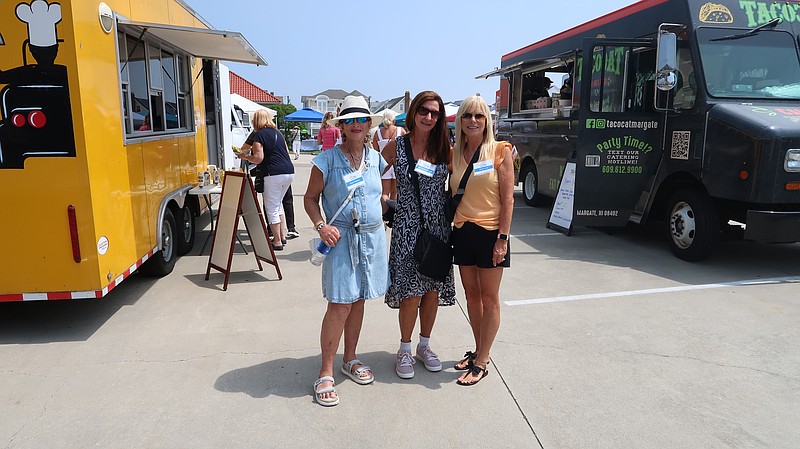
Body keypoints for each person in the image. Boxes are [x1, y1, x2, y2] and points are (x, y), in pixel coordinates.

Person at [303, 95, 389, 406]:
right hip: (340, 242)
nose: (355, 125)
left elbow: (379, 195)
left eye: (361, 119)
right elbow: (310, 198)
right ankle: (326, 370)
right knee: (339, 304)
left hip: (371, 241)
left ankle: (350, 358)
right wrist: (320, 226)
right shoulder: (325, 161)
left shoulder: (375, 158)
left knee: (359, 300)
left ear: (369, 124)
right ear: (341, 126)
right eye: (349, 120)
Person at [381, 91, 455, 379]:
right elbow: (370, 170)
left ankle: (425, 346)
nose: (429, 117)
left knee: (432, 291)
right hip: (407, 229)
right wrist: (379, 200)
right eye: (424, 111)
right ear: (414, 113)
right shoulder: (397, 145)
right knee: (411, 293)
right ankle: (404, 349)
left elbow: (462, 176)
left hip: (437, 229)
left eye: (435, 113)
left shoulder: (443, 147)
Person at [450, 95, 514, 386]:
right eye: (467, 116)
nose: (472, 121)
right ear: (460, 121)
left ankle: (483, 360)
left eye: (478, 116)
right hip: (463, 230)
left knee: (489, 299)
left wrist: (503, 238)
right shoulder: (455, 152)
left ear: (486, 120)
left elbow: (508, 198)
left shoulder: (500, 151)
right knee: (471, 296)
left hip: (491, 233)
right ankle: (478, 350)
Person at [237, 109, 295, 250]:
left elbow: (258, 158)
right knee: (278, 204)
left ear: (255, 121)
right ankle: (281, 236)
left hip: (273, 174)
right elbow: (286, 152)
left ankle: (277, 241)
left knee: (271, 208)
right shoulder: (278, 133)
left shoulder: (259, 135)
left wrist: (244, 157)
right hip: (288, 172)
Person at [372, 109, 405, 202]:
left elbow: (376, 150)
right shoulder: (400, 130)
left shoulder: (378, 133)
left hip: (384, 163)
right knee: (395, 192)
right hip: (397, 164)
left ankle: (385, 214)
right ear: (394, 119)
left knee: (384, 192)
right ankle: (393, 213)